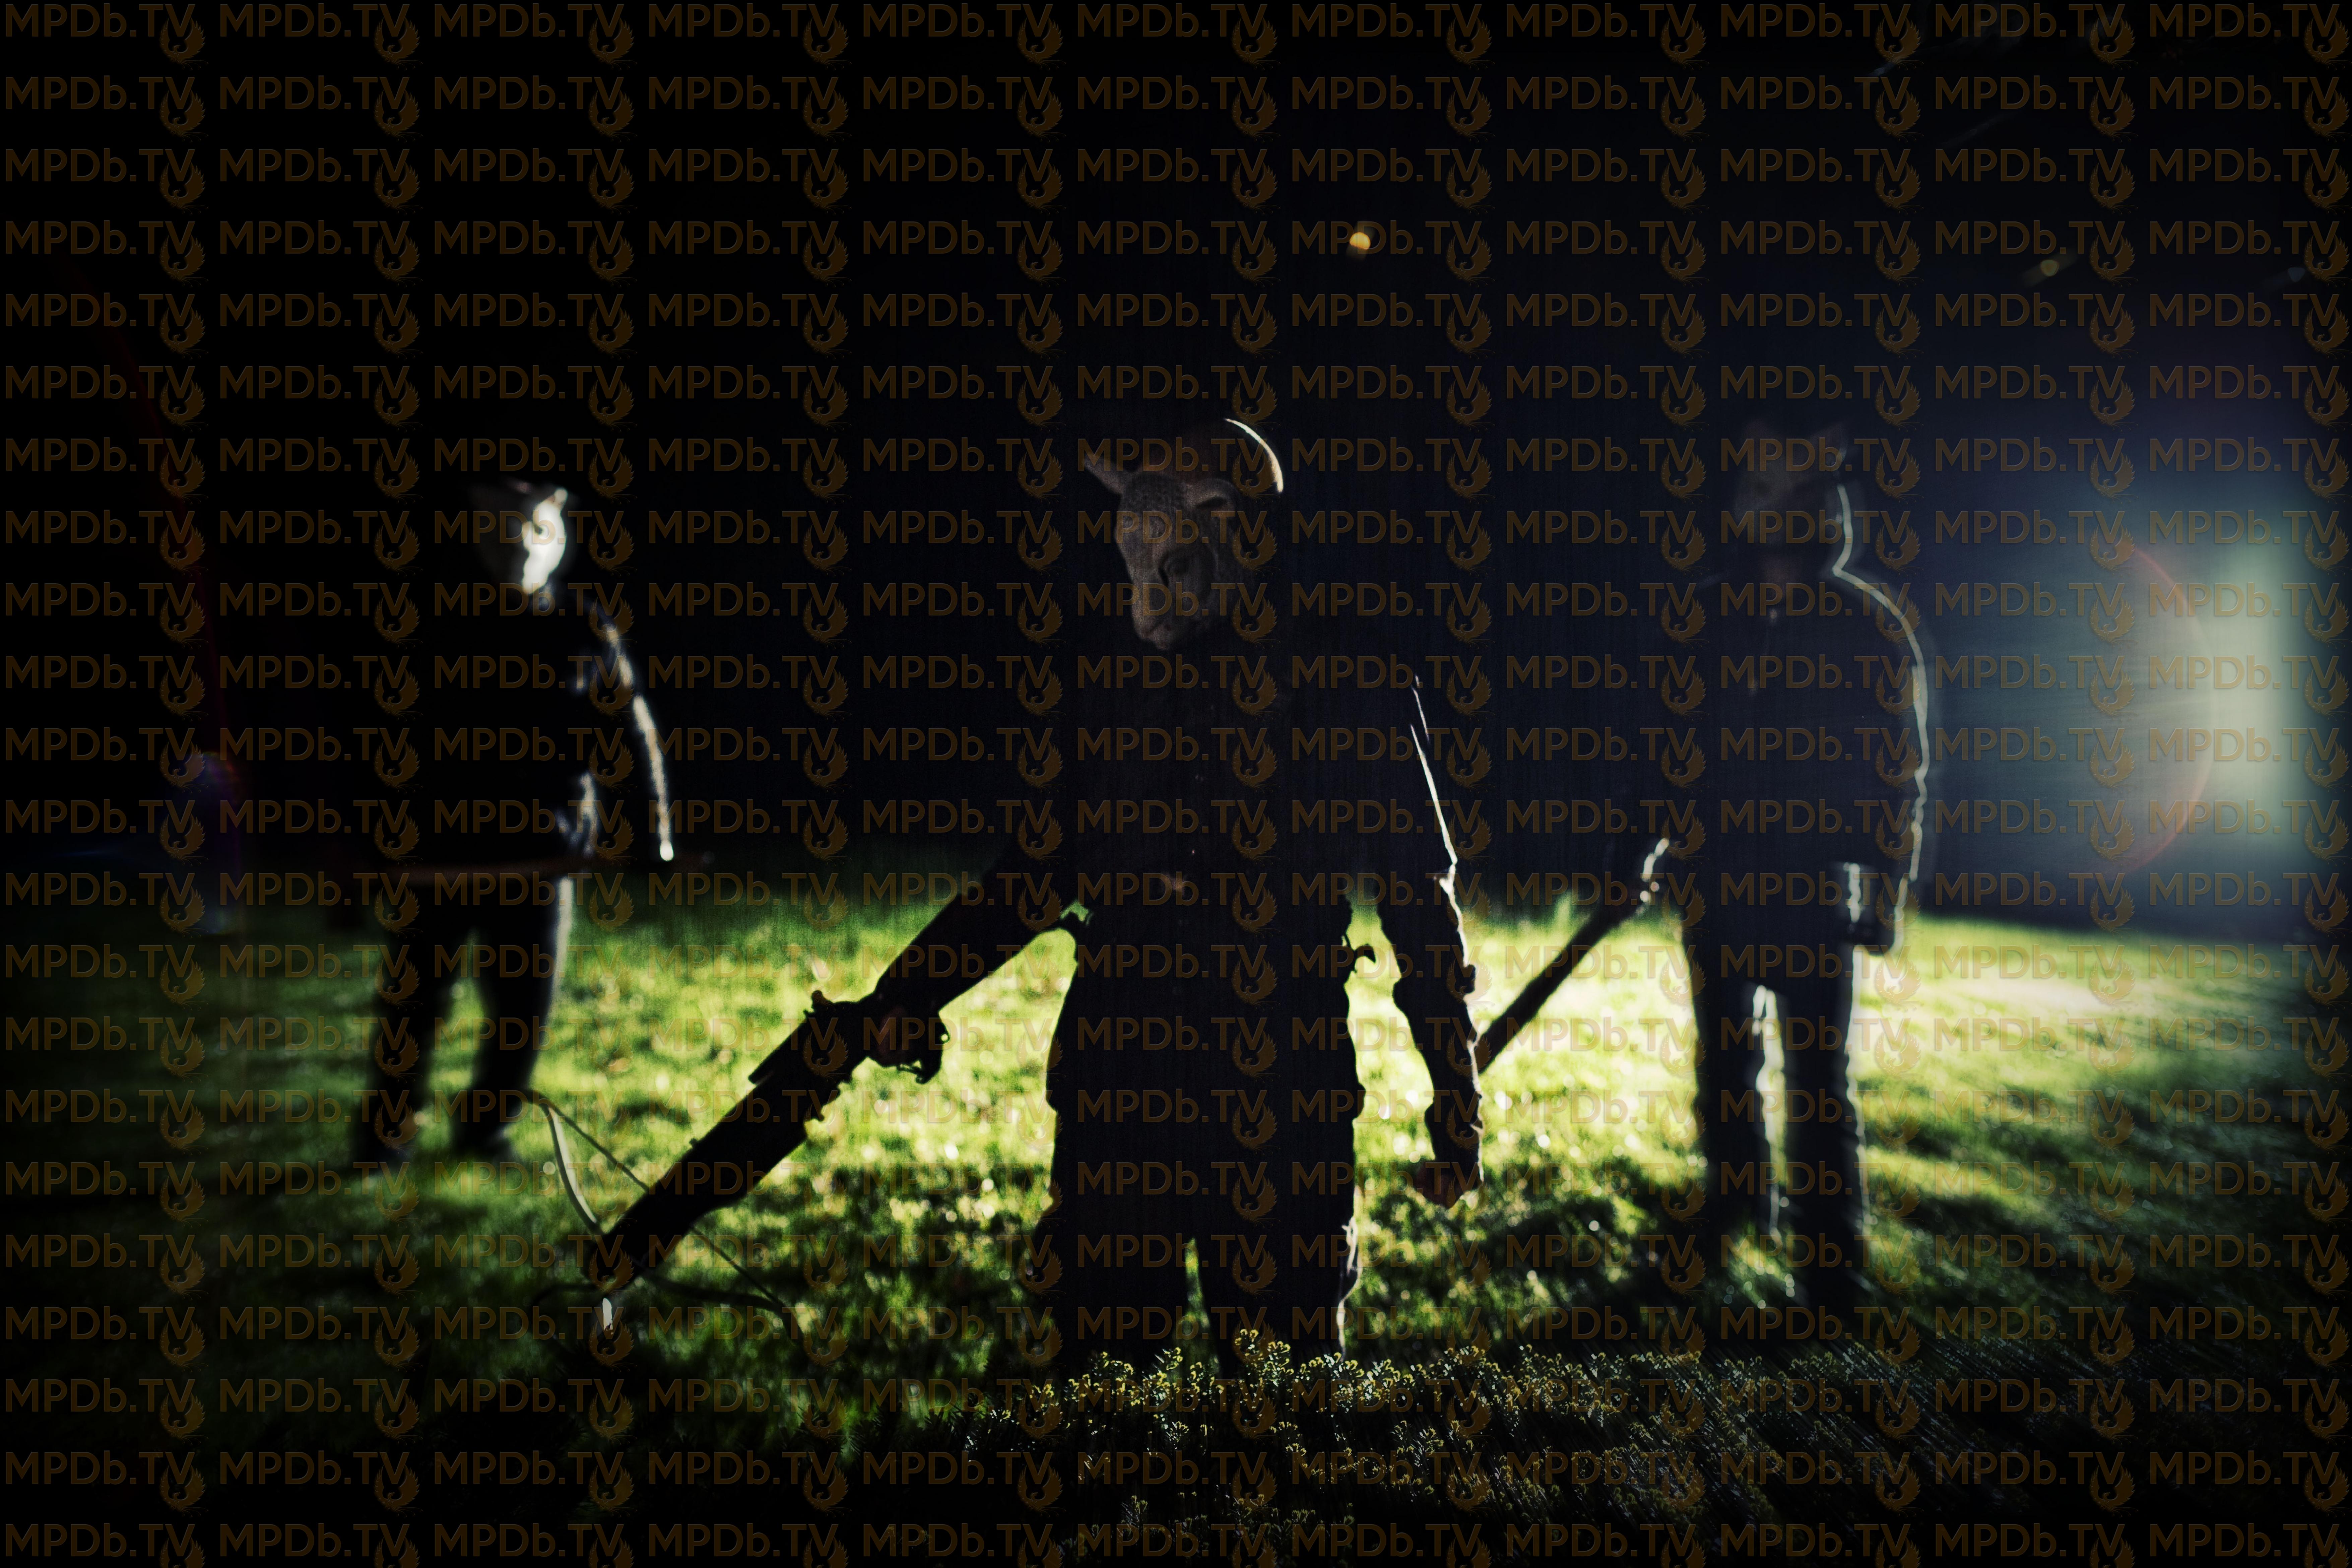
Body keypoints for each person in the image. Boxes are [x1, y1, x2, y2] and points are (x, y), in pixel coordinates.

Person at [839, 421, 1487, 1373]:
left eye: (1176, 552)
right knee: (1098, 1369)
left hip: (1277, 1070)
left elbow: (1417, 890)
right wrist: (911, 990)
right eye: (1136, 552)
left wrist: (1456, 1090)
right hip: (1121, 1062)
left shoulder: (1346, 673)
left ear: (1241, 535)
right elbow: (1035, 872)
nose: (1150, 585)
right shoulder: (1107, 678)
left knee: (1284, 1380)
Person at [1609, 426, 1924, 1310]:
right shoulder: (1704, 618)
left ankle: (1831, 1262)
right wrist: (1641, 848)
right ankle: (1734, 1201)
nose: (1778, 511)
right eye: (1764, 494)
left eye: (1796, 497)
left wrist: (1888, 888)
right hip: (1715, 882)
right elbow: (1664, 747)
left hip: (1813, 889)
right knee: (1724, 1057)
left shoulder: (1867, 627)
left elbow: (1897, 767)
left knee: (1818, 1080)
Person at [352, 477, 669, 1169]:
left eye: (536, 530)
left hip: (543, 855)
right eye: (503, 530)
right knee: (414, 1001)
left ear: (558, 537)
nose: (521, 546)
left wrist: (652, 834)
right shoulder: (432, 622)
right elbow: (378, 739)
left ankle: (486, 1131)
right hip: (439, 852)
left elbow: (628, 732)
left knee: (523, 1009)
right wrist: (364, 845)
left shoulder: (583, 628)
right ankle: (383, 1136)